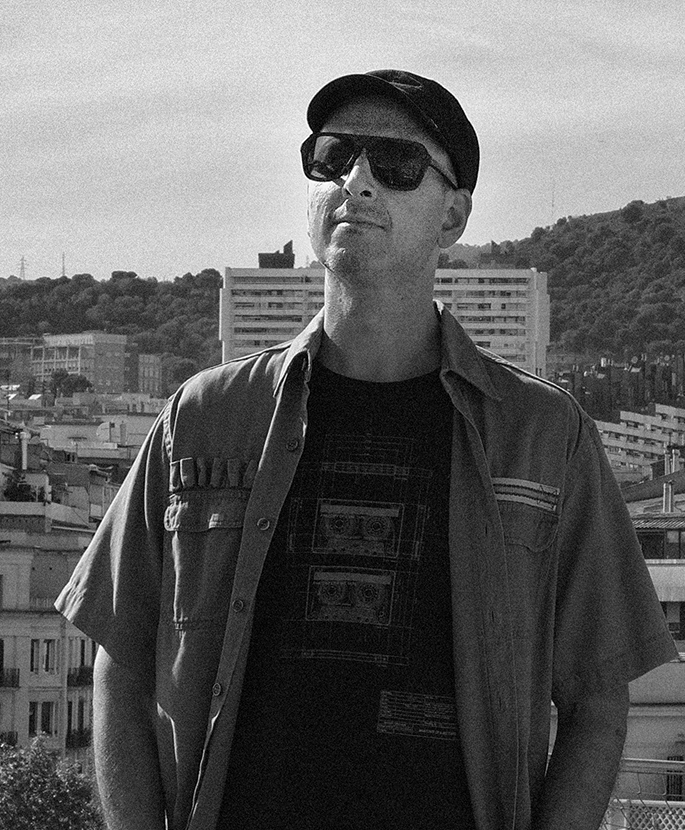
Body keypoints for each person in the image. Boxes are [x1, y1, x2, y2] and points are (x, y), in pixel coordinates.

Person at [56, 69, 676, 830]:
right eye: (332, 156)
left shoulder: (542, 434)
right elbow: (121, 657)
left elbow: (596, 696)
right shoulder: (207, 416)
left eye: (397, 163)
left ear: (452, 215)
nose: (356, 180)